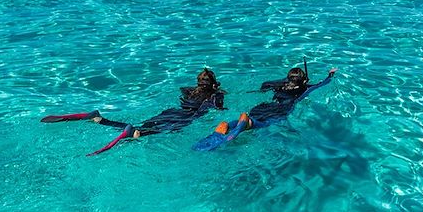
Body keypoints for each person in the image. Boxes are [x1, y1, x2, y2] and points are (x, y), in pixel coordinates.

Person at [41, 68, 226, 155]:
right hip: (185, 117)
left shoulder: (188, 90)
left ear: (197, 82)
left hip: (171, 111)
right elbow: (214, 108)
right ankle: (131, 132)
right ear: (213, 84)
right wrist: (219, 96)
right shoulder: (215, 94)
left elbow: (183, 91)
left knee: (144, 125)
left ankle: (100, 119)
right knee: (149, 132)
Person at [198, 63, 336, 149]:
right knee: (262, 124)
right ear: (304, 80)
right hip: (281, 110)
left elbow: (265, 84)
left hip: (264, 106)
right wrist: (330, 76)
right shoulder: (305, 88)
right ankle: (245, 123)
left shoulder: (279, 86)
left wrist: (287, 80)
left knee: (253, 117)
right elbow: (320, 85)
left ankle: (229, 125)